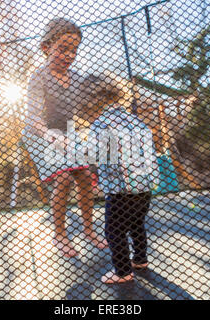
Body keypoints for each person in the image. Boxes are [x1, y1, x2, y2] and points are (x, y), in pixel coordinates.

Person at [22, 18, 107, 258]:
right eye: (63, 48)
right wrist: (52, 137)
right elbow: (33, 117)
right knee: (64, 176)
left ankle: (89, 230)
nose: (70, 55)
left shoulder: (77, 79)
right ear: (46, 48)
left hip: (67, 132)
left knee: (84, 174)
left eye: (74, 50)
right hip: (40, 133)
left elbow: (90, 109)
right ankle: (59, 234)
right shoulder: (38, 77)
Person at [84, 73, 155, 284]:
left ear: (92, 102)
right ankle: (140, 259)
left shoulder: (101, 124)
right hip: (143, 186)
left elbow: (95, 153)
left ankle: (123, 272)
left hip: (120, 189)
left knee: (113, 230)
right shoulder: (136, 121)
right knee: (136, 223)